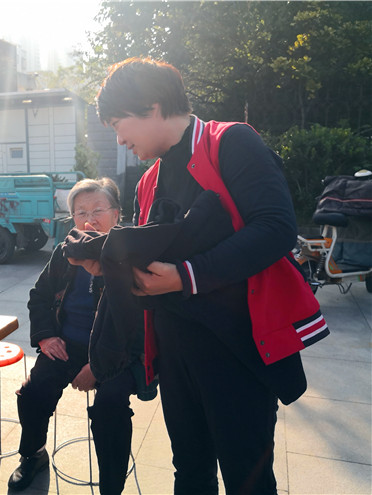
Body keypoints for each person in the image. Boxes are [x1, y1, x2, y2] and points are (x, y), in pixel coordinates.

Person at [92, 57, 329, 495]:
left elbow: (276, 227)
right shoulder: (148, 182)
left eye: (118, 124)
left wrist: (186, 276)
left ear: (152, 105)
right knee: (190, 471)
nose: (119, 139)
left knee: (247, 476)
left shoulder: (231, 142)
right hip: (174, 351)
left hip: (236, 349)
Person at [8, 178, 150, 495]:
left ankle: (112, 486)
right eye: (81, 212)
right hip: (68, 345)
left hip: (118, 354)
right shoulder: (65, 253)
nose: (89, 219)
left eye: (98, 210)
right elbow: (39, 297)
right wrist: (46, 337)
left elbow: (138, 326)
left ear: (117, 215)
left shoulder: (133, 257)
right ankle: (33, 454)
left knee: (110, 407)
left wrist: (98, 367)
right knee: (32, 392)